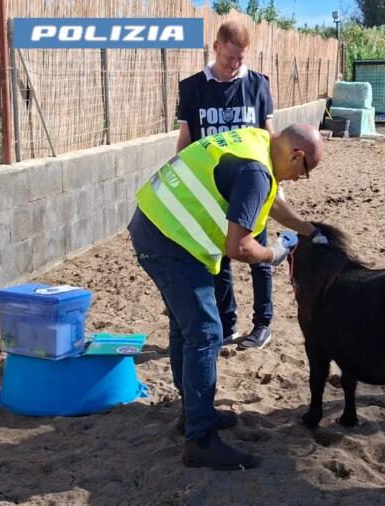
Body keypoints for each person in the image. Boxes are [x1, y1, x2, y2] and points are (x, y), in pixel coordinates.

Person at [128, 124, 325, 470]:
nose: (298, 179)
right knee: (205, 332)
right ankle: (200, 440)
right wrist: (273, 253)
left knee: (185, 327)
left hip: (154, 224)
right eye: (304, 172)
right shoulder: (256, 171)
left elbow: (272, 201)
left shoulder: (258, 142)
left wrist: (309, 230)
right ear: (297, 155)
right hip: (169, 243)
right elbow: (239, 247)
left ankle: (192, 413)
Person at [177, 20, 277, 350]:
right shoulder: (193, 88)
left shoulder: (259, 85)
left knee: (258, 254)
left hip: (252, 188)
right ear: (216, 47)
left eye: (240, 59)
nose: (234, 65)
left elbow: (270, 136)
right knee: (219, 258)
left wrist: (274, 182)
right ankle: (227, 323)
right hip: (213, 190)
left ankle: (263, 322)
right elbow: (186, 141)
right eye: (229, 58)